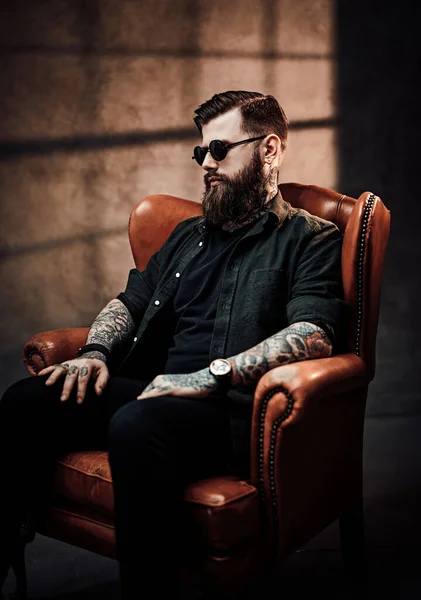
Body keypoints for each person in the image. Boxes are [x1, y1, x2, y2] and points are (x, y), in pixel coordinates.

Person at [0, 91, 348, 599]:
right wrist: (95, 353)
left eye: (221, 149)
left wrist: (210, 376)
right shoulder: (188, 236)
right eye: (200, 152)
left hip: (226, 410)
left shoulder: (308, 238)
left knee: (136, 424)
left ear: (269, 149)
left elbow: (313, 333)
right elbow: (129, 302)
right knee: (23, 402)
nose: (206, 163)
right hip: (153, 389)